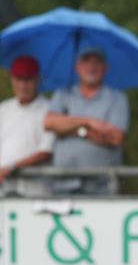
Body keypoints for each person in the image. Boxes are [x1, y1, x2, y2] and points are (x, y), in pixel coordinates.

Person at [44, 47, 129, 195]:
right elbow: (49, 123)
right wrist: (88, 122)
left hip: (101, 186)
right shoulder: (62, 95)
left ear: (105, 68)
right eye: (87, 62)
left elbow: (116, 137)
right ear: (77, 67)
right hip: (62, 183)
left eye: (97, 62)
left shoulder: (117, 99)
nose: (91, 67)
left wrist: (73, 129)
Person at [0, 56, 54, 197]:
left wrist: (12, 167)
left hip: (36, 191)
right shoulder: (4, 109)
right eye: (19, 79)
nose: (23, 86)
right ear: (12, 80)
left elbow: (46, 152)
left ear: (38, 79)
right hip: (4, 189)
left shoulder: (50, 110)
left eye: (28, 80)